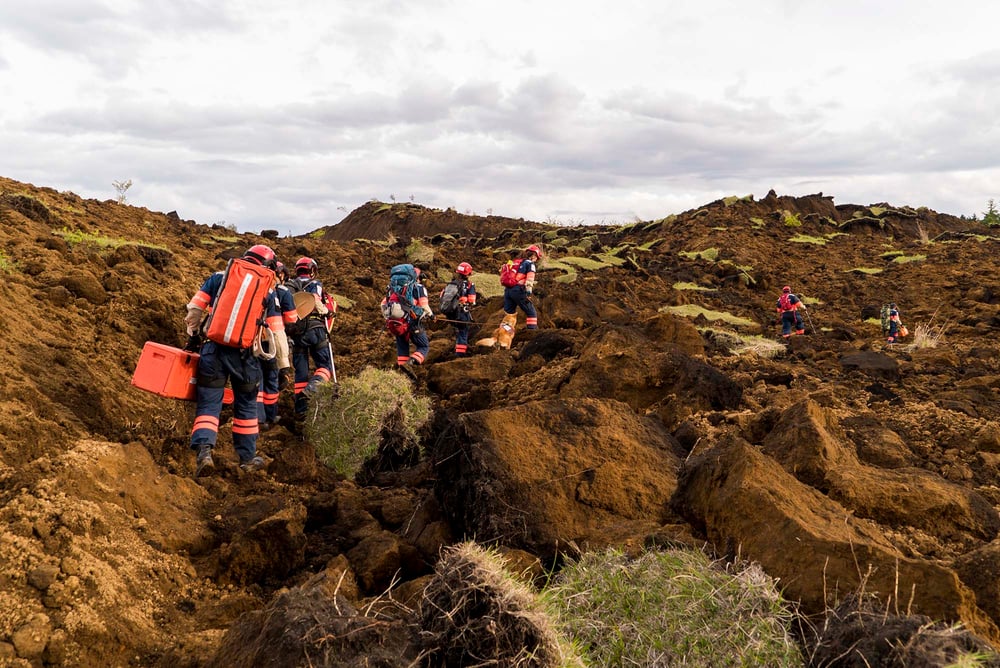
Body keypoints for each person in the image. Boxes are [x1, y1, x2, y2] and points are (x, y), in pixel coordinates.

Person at [184, 244, 278, 476]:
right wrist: (281, 365)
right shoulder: (268, 288)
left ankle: (204, 453)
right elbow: (276, 332)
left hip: (213, 351)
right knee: (246, 405)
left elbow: (194, 309)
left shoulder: (219, 277)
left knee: (208, 404)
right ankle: (247, 459)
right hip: (245, 358)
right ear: (267, 266)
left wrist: (194, 336)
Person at [285, 257, 335, 419]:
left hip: (297, 332)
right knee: (325, 365)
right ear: (312, 270)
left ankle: (301, 409)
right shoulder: (315, 284)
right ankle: (313, 388)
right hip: (315, 328)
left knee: (301, 371)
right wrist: (327, 312)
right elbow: (315, 300)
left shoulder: (290, 286)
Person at [257, 261, 298, 431]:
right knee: (271, 379)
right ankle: (271, 415)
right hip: (273, 342)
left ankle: (258, 418)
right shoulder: (282, 291)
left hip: (253, 340)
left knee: (256, 380)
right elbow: (291, 319)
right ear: (280, 274)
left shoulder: (255, 286)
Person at [384, 266, 432, 371]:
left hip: (397, 322)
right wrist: (431, 316)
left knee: (402, 348)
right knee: (424, 346)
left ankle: (402, 371)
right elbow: (424, 306)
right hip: (413, 323)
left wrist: (389, 319)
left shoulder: (391, 288)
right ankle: (411, 362)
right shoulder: (418, 288)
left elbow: (383, 304)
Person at [502, 244, 541, 329]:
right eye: (536, 258)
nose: (536, 260)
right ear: (534, 255)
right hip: (518, 290)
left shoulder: (516, 262)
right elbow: (529, 280)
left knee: (509, 315)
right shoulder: (530, 264)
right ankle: (532, 332)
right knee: (531, 312)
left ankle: (504, 333)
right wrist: (528, 292)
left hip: (508, 290)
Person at [444, 262, 477, 357]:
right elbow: (472, 300)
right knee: (463, 332)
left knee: (458, 330)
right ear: (469, 273)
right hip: (462, 313)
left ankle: (457, 349)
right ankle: (460, 354)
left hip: (451, 313)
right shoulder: (470, 285)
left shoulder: (451, 284)